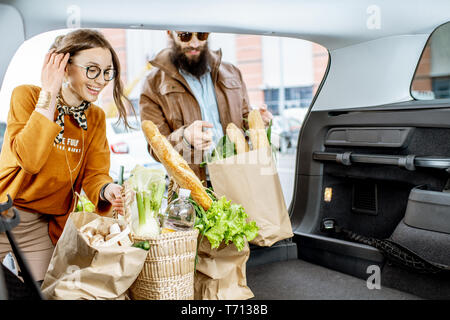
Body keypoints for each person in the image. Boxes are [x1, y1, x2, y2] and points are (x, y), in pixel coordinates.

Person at [0, 29, 128, 282]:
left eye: (106, 72)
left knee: (41, 290)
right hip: (4, 209)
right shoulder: (26, 96)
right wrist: (49, 91)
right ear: (64, 66)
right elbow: (31, 161)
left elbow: (95, 174)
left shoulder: (95, 118)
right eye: (92, 69)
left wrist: (107, 189)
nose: (101, 80)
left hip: (39, 225)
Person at [139, 31, 273, 184]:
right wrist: (186, 139)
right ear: (170, 33)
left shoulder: (233, 73)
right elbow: (156, 148)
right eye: (185, 36)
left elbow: (244, 127)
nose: (195, 43)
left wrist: (259, 123)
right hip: (193, 190)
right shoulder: (152, 85)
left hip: (238, 181)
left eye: (202, 35)